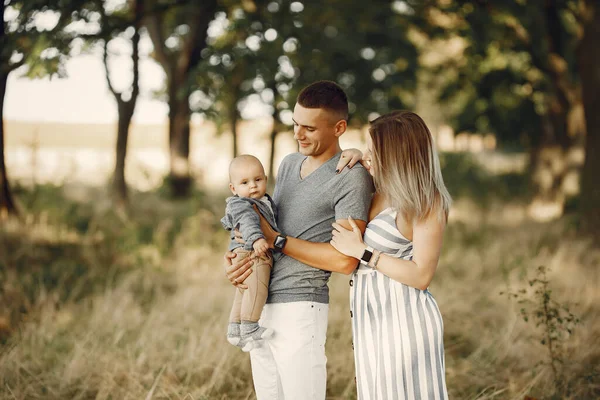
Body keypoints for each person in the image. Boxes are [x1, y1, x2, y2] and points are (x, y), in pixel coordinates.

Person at [223, 80, 373, 399]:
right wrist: (240, 256)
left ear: (339, 127)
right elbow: (262, 219)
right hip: (261, 305)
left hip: (300, 306)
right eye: (295, 124)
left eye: (309, 128)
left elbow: (345, 260)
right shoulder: (289, 164)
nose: (298, 134)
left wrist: (276, 240)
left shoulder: (352, 177)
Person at [330, 110, 451, 399]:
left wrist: (363, 253)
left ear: (396, 154)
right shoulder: (377, 186)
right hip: (371, 321)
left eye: (374, 151)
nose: (367, 156)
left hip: (405, 325)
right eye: (368, 149)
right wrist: (357, 156)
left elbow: (422, 275)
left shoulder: (427, 201)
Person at [220, 154, 277, 352]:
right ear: (233, 188)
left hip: (241, 253)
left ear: (266, 179)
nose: (253, 186)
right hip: (252, 252)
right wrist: (257, 239)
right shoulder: (242, 204)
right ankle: (250, 327)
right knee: (257, 288)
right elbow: (247, 221)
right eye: (245, 182)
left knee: (243, 292)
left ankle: (235, 329)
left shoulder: (264, 200)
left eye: (258, 180)